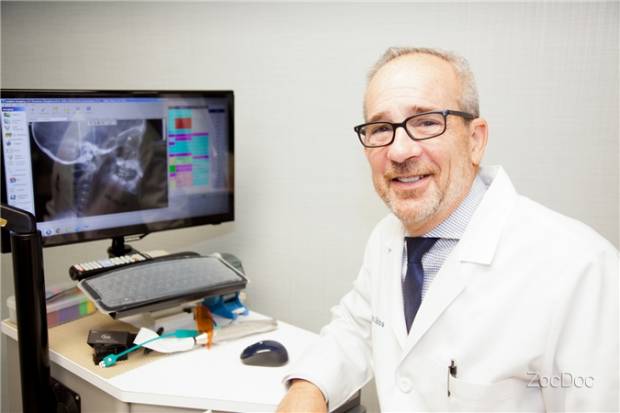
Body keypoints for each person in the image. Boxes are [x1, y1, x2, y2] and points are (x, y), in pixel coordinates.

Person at [276, 47, 619, 412]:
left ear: (475, 140)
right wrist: (308, 389)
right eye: (381, 129)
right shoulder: (387, 237)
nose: (399, 151)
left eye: (426, 122)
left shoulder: (581, 268)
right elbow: (356, 329)